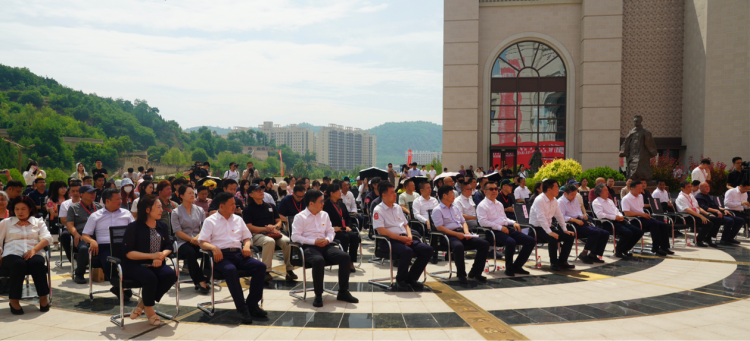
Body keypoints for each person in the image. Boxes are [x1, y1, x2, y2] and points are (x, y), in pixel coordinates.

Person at [198, 192, 267, 324]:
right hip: (221, 256)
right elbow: (202, 242)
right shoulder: (210, 221)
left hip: (239, 254)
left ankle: (252, 304)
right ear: (222, 206)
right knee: (230, 270)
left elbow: (247, 237)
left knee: (260, 266)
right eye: (232, 204)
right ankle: (242, 309)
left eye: (235, 204)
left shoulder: (238, 219)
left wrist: (247, 246)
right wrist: (214, 248)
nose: (235, 206)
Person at [291, 189, 358, 306]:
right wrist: (314, 241)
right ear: (311, 203)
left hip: (325, 245)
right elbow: (295, 237)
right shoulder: (300, 217)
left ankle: (343, 291)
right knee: (318, 260)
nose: (323, 204)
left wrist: (327, 240)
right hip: (309, 247)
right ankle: (318, 294)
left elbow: (331, 232)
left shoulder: (324, 215)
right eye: (321, 201)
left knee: (345, 257)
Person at [122, 195, 177, 326]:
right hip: (135, 264)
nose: (161, 210)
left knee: (170, 275)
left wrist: (161, 256)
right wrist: (151, 256)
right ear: (147, 210)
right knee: (150, 278)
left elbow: (169, 246)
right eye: (158, 207)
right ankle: (149, 309)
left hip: (156, 262)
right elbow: (128, 253)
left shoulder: (162, 226)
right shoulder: (134, 227)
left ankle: (143, 303)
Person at [373, 181, 433, 291]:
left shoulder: (397, 208)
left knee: (427, 249)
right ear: (384, 195)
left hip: (404, 238)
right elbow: (381, 230)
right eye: (392, 193)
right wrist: (401, 238)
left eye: (394, 192)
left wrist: (409, 236)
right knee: (407, 251)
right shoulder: (378, 210)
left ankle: (411, 279)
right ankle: (400, 280)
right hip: (389, 241)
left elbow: (406, 225)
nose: (395, 195)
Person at [0, 196, 52, 314]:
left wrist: (34, 250)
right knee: (19, 264)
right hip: (11, 254)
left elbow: (47, 238)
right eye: (17, 209)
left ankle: (43, 297)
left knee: (38, 263)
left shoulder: (38, 222)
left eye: (23, 209)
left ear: (30, 209)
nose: (20, 212)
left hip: (33, 251)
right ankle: (14, 300)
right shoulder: (6, 223)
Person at [82, 188, 136, 299]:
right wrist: (92, 241)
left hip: (124, 245)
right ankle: (118, 287)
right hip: (104, 247)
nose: (120, 201)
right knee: (108, 263)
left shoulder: (126, 213)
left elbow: (135, 231)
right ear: (107, 201)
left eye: (121, 198)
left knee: (131, 261)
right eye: (117, 199)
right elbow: (85, 235)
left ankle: (125, 286)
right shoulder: (96, 216)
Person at [432, 185, 489, 283]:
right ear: (444, 196)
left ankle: (475, 272)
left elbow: (463, 222)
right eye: (452, 193)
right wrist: (456, 234)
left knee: (484, 244)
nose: (454, 195)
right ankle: (461, 274)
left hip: (462, 233)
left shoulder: (455, 207)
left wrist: (466, 232)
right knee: (458, 246)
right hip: (448, 236)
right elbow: (439, 228)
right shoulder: (437, 209)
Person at [476, 181, 535, 277]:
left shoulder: (499, 203)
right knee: (511, 242)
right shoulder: (482, 205)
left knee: (531, 241)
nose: (494, 191)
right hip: (493, 232)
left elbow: (504, 218)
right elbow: (483, 222)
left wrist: (513, 222)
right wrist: (500, 228)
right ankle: (509, 268)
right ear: (485, 191)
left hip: (505, 228)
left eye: (496, 189)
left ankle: (517, 266)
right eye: (491, 189)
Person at [242, 183, 294, 282]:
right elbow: (249, 227)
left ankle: (290, 270)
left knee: (287, 241)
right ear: (251, 194)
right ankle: (266, 271)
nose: (261, 191)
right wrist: (266, 229)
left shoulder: (271, 206)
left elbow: (279, 221)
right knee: (269, 241)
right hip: (257, 234)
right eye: (258, 190)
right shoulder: (248, 209)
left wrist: (274, 227)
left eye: (262, 189)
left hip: (273, 232)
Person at [529, 179, 576, 271]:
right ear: (549, 189)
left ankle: (562, 261)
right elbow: (541, 217)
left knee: (569, 236)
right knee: (553, 238)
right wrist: (549, 232)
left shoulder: (554, 200)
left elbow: (559, 215)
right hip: (536, 230)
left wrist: (564, 229)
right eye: (557, 187)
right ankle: (553, 263)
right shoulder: (539, 200)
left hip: (547, 228)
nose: (559, 189)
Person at [170, 186, 210, 293]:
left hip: (198, 239)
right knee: (190, 252)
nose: (192, 195)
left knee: (208, 251)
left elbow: (203, 227)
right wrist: (192, 240)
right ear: (182, 196)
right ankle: (200, 281)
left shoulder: (200, 210)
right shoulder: (176, 212)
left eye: (193, 193)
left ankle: (206, 277)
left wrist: (197, 238)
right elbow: (177, 231)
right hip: (182, 242)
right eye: (189, 193)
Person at [558, 184, 609, 264]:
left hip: (579, 221)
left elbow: (578, 211)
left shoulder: (574, 199)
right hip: (570, 224)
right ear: (565, 194)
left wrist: (584, 215)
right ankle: (584, 253)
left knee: (605, 233)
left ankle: (593, 254)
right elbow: (561, 217)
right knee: (595, 232)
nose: (574, 196)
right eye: (572, 194)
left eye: (575, 194)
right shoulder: (560, 202)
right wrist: (575, 220)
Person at [63, 184, 103, 283]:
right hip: (82, 235)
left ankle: (107, 271)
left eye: (94, 192)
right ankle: (79, 274)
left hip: (98, 234)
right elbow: (70, 225)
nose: (93, 194)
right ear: (82, 195)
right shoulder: (73, 208)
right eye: (90, 193)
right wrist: (76, 234)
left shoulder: (99, 207)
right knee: (84, 249)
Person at [621, 180, 673, 256]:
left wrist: (644, 214)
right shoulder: (626, 199)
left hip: (643, 217)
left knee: (663, 225)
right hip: (634, 220)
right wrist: (641, 214)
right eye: (638, 189)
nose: (641, 190)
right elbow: (627, 213)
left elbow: (641, 208)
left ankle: (664, 247)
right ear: (632, 188)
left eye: (641, 188)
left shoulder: (640, 196)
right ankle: (656, 247)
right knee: (654, 224)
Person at [591, 184, 643, 258]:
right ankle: (618, 251)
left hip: (618, 220)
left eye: (607, 190)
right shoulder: (596, 202)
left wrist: (620, 216)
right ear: (599, 193)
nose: (607, 192)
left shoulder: (609, 200)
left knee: (639, 231)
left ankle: (625, 249)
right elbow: (600, 215)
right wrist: (615, 217)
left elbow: (616, 210)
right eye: (605, 190)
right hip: (608, 223)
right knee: (628, 232)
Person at [322, 184, 361, 272]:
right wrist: (333, 228)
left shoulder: (341, 204)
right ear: (332, 193)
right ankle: (343, 261)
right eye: (338, 191)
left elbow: (347, 218)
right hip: (333, 230)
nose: (340, 193)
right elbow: (324, 221)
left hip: (344, 229)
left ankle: (351, 262)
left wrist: (348, 226)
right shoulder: (326, 205)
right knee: (345, 237)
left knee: (354, 236)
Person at [675, 181, 719, 247]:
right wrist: (701, 216)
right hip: (688, 217)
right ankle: (698, 240)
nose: (690, 188)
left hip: (696, 215)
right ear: (682, 188)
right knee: (708, 223)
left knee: (717, 219)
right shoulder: (681, 197)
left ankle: (708, 238)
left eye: (690, 186)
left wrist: (707, 214)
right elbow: (688, 210)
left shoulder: (691, 195)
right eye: (688, 187)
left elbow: (698, 207)